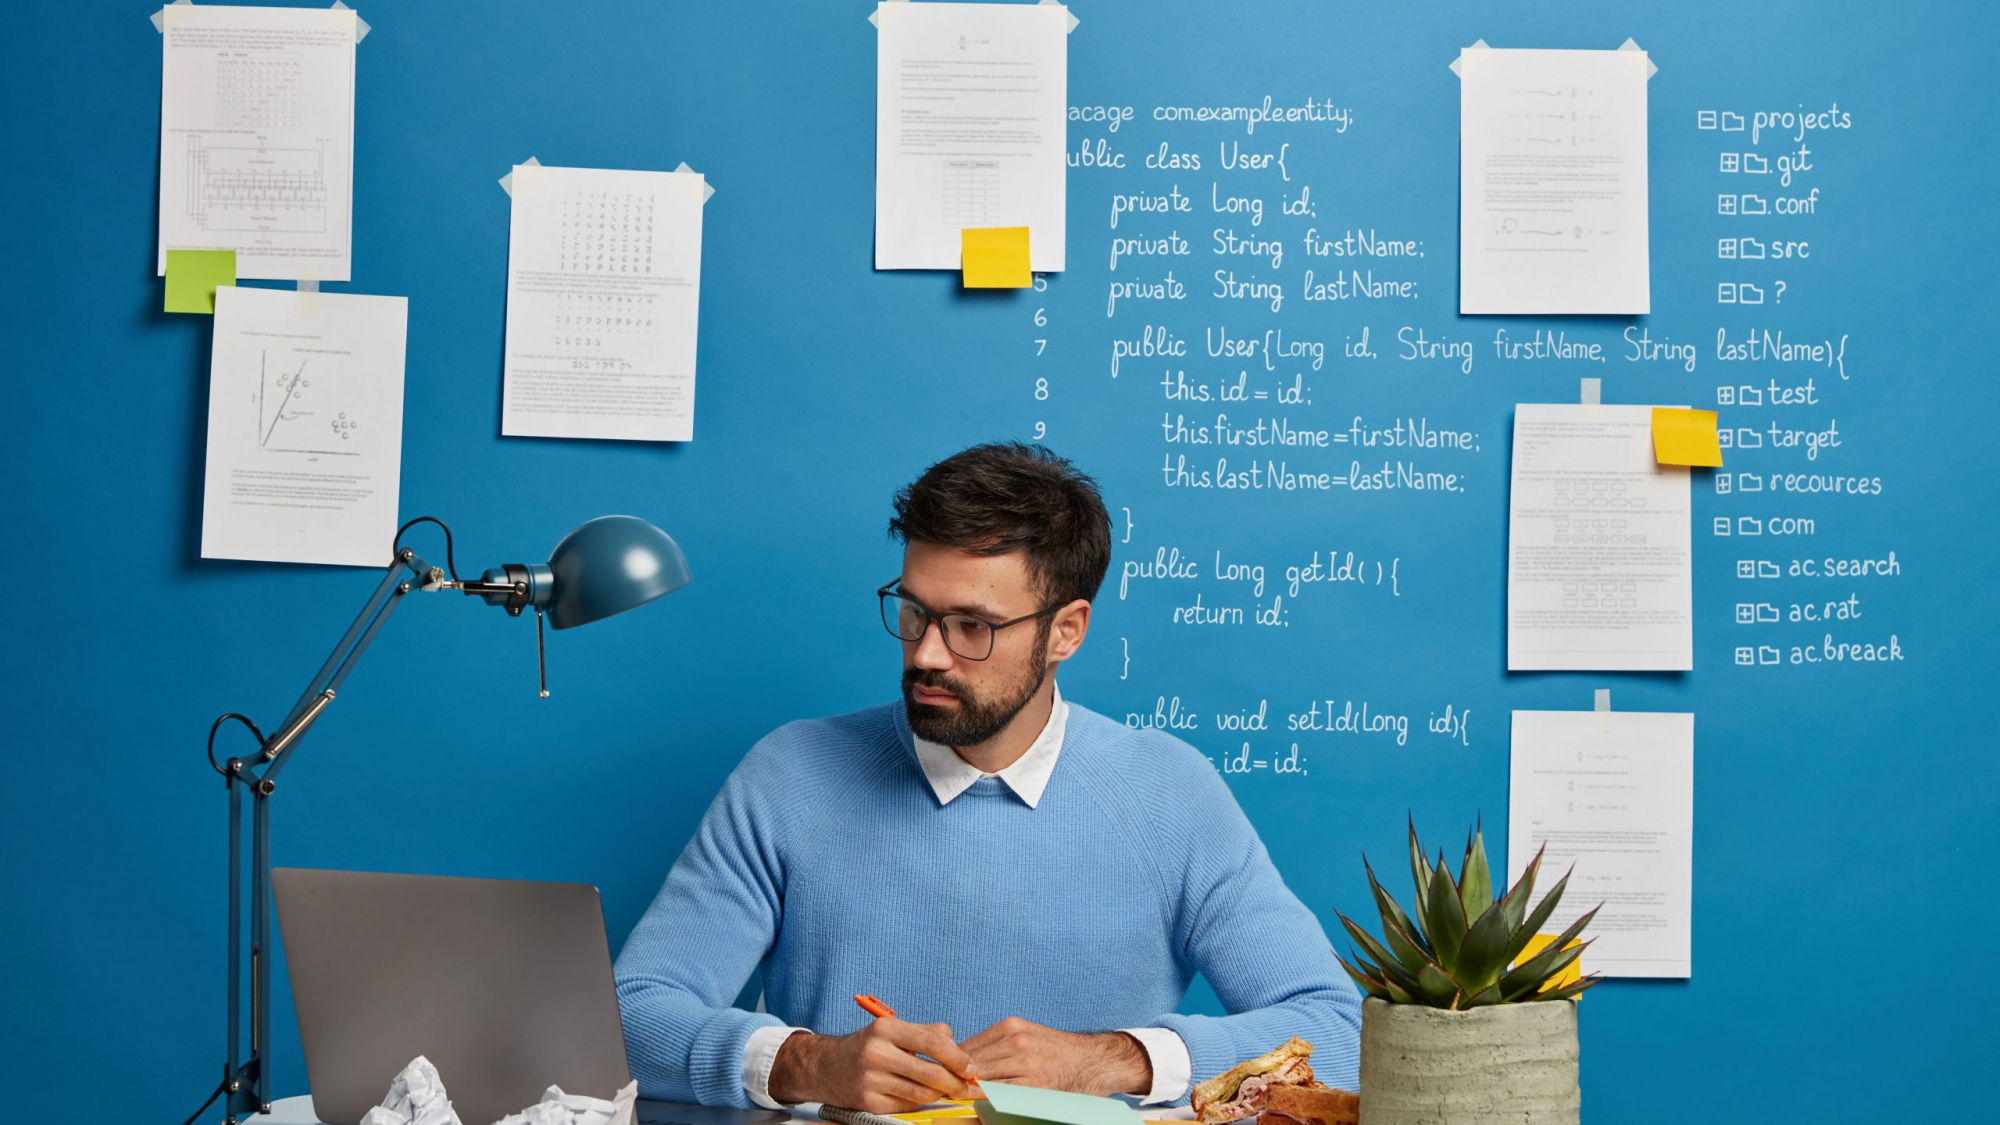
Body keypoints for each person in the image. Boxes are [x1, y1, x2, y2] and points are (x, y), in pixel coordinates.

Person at [614, 443, 1360, 1111]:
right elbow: (629, 1012)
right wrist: (808, 1062)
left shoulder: (1171, 795)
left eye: (973, 625)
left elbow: (1341, 1028)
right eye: (913, 612)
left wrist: (1112, 1059)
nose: (928, 654)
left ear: (1066, 630)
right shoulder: (790, 774)